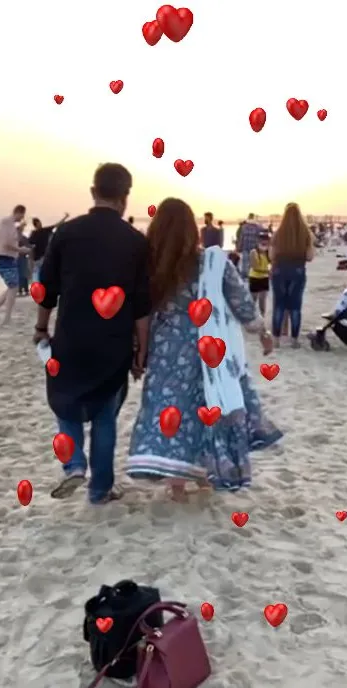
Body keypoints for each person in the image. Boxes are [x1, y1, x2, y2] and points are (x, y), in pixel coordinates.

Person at [126, 198, 282, 501]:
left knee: (168, 408)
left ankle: (176, 484)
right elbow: (240, 300)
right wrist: (260, 331)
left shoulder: (149, 265)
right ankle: (204, 474)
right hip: (207, 346)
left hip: (165, 348)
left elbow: (138, 309)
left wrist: (138, 350)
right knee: (205, 407)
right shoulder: (211, 262)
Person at [33, 163, 151, 504]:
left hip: (71, 337)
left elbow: (46, 289)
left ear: (92, 192)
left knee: (64, 403)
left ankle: (73, 464)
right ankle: (99, 490)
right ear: (125, 198)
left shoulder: (66, 233)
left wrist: (41, 328)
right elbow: (141, 305)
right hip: (113, 344)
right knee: (104, 416)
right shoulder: (135, 241)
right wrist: (142, 351)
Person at [269, 202, 314, 349]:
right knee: (295, 306)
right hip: (298, 271)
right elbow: (309, 256)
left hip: (279, 270)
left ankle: (276, 339)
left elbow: (271, 255)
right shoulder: (305, 233)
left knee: (279, 305)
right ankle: (294, 340)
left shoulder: (278, 233)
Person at [0, 205, 31, 324]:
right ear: (18, 212)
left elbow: (13, 241)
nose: (22, 218)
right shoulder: (5, 222)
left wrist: (20, 230)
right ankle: (5, 317)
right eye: (22, 215)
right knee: (13, 286)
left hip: (8, 258)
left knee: (13, 286)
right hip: (2, 257)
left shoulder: (12, 226)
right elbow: (5, 243)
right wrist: (21, 250)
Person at [29, 213, 69, 281]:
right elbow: (31, 247)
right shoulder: (37, 232)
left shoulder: (38, 232)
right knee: (41, 275)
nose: (40, 224)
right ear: (36, 224)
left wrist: (65, 217)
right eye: (38, 223)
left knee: (38, 275)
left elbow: (57, 224)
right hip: (40, 257)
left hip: (40, 257)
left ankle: (40, 287)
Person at [248, 230, 271, 316]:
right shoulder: (253, 252)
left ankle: (262, 318)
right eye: (262, 239)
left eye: (266, 239)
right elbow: (255, 267)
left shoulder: (268, 252)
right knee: (253, 300)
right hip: (255, 278)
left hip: (264, 278)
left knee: (262, 301)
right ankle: (251, 318)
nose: (264, 241)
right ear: (258, 241)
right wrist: (268, 271)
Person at [236, 213, 262, 279]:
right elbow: (260, 239)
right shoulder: (258, 227)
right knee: (252, 263)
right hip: (254, 248)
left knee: (245, 263)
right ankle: (251, 276)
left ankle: (245, 277)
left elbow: (241, 238)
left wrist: (239, 247)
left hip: (246, 247)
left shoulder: (244, 227)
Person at [17, 222, 32, 296]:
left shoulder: (22, 237)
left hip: (21, 257)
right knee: (22, 274)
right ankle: (22, 289)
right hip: (19, 257)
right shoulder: (19, 237)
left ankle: (23, 289)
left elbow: (29, 246)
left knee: (22, 274)